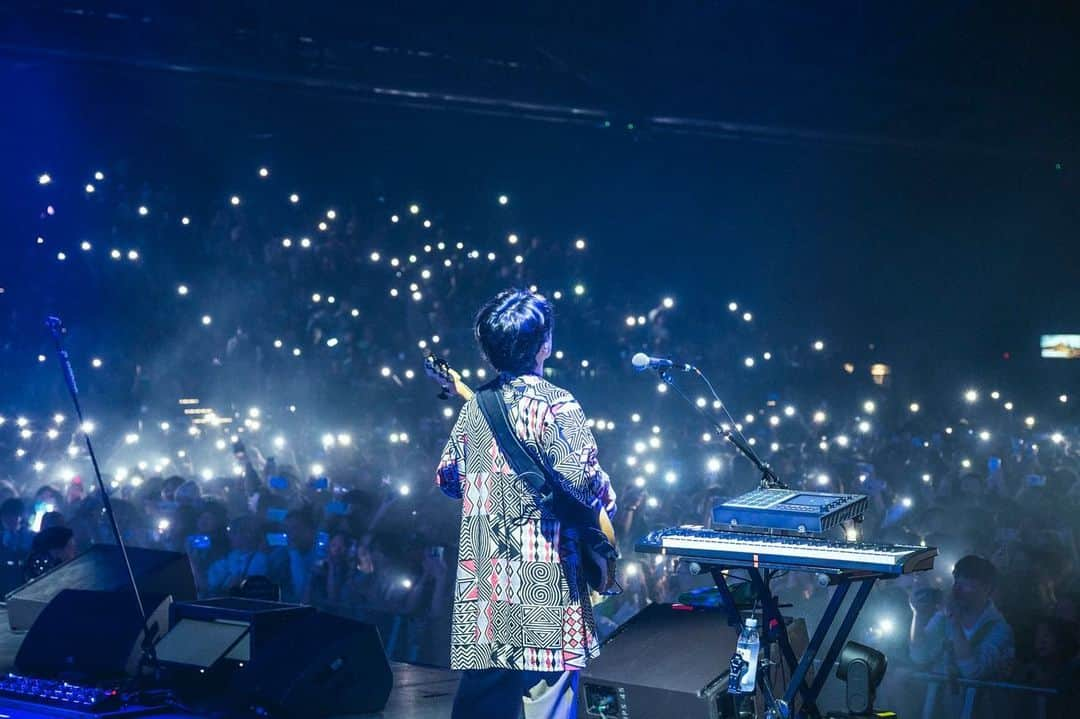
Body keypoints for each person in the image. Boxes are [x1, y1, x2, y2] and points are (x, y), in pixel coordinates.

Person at [436, 289, 616, 719]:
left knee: (482, 706)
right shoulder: (557, 404)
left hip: (485, 588)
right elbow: (584, 484)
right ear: (545, 344)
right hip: (544, 586)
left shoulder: (475, 407)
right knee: (546, 700)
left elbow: (447, 479)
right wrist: (605, 485)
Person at [909, 555, 1015, 717]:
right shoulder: (943, 617)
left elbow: (973, 671)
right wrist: (918, 615)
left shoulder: (999, 629)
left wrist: (954, 621)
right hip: (941, 709)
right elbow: (919, 656)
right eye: (956, 582)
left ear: (986, 589)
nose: (957, 590)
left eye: (966, 584)